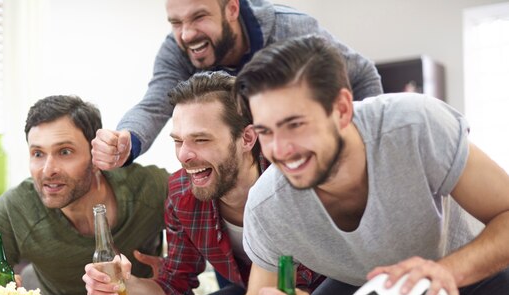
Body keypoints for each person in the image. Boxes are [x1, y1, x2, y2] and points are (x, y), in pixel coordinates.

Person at [233, 36, 509, 295]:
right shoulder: (269, 206)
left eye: (295, 125)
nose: (280, 150)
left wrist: (445, 271)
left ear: (342, 109)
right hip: (362, 282)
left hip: (466, 258)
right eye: (265, 132)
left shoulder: (416, 125)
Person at [83, 71, 323, 295]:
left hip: (315, 293)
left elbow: (305, 284)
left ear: (247, 138)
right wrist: (123, 284)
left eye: (201, 139)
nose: (184, 155)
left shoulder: (289, 183)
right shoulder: (182, 194)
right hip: (250, 290)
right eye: (178, 141)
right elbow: (173, 288)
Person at [0, 95, 170, 295]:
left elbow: (206, 227)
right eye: (38, 154)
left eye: (65, 152)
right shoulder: (16, 210)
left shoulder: (148, 188)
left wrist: (174, 269)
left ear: (96, 157)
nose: (48, 170)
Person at [91, 0, 383, 171]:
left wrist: (365, 150)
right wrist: (127, 139)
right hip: (239, 178)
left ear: (231, 8)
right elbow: (156, 101)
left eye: (199, 16)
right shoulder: (176, 49)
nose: (188, 33)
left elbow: (363, 74)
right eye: (176, 22)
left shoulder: (291, 29)